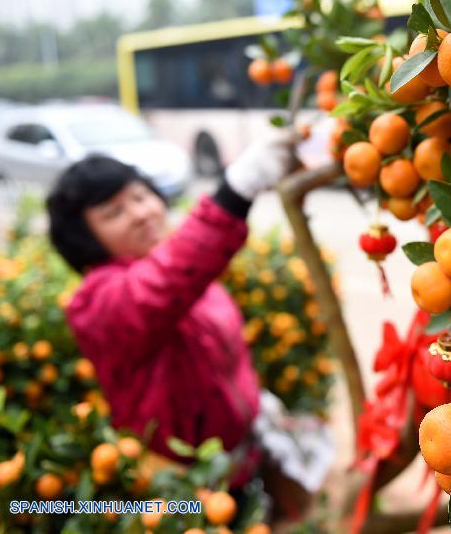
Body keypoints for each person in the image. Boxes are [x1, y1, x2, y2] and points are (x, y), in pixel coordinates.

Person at [46, 134, 300, 498]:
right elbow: (160, 286)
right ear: (85, 239)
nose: (139, 213)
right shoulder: (98, 303)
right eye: (113, 213)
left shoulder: (179, 269)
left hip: (239, 463)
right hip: (182, 490)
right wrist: (234, 192)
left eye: (139, 196)